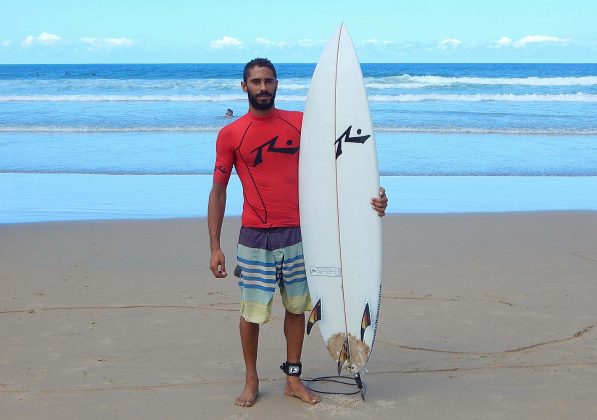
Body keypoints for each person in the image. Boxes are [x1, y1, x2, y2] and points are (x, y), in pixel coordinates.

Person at [208, 58, 388, 407]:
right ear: (244, 87)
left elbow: (343, 164)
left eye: (269, 81)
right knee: (252, 313)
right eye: (256, 82)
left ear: (277, 84)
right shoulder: (231, 134)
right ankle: (251, 378)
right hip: (255, 237)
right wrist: (215, 246)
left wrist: (375, 196)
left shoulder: (302, 125)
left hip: (301, 235)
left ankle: (293, 378)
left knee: (297, 308)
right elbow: (218, 190)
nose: (263, 88)